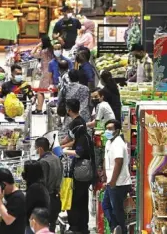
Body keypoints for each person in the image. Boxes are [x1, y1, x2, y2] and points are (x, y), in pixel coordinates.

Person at [62, 99, 96, 234]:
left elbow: (78, 152)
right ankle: (83, 226)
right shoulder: (84, 134)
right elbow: (73, 143)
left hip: (81, 173)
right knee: (83, 200)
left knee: (74, 200)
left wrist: (63, 151)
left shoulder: (81, 138)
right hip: (86, 174)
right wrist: (64, 146)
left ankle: (75, 227)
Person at [102, 119, 132, 234]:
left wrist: (113, 181)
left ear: (117, 131)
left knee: (117, 210)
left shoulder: (118, 143)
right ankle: (116, 228)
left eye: (110, 129)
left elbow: (118, 162)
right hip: (111, 182)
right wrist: (105, 178)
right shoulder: (109, 142)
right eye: (106, 129)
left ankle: (121, 230)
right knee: (106, 205)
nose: (107, 131)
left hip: (119, 183)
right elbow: (106, 160)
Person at [35, 137, 62, 232]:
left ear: (40, 149)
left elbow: (43, 183)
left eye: (36, 148)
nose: (36, 151)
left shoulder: (43, 162)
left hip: (46, 198)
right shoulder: (56, 158)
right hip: (56, 196)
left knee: (44, 226)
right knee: (52, 224)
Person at [58, 70, 90, 135]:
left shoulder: (65, 88)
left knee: (69, 135)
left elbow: (59, 101)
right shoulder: (86, 88)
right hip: (84, 115)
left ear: (69, 77)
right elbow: (89, 102)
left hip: (71, 115)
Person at [22, 160, 50, 234]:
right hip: (38, 223)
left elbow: (27, 207)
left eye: (25, 171)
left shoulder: (35, 188)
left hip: (35, 225)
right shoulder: (40, 186)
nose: (23, 173)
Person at [30, 36, 54, 114]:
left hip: (46, 73)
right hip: (54, 72)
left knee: (40, 91)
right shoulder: (53, 50)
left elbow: (32, 54)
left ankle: (39, 109)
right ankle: (51, 109)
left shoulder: (43, 52)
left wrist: (37, 46)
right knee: (53, 91)